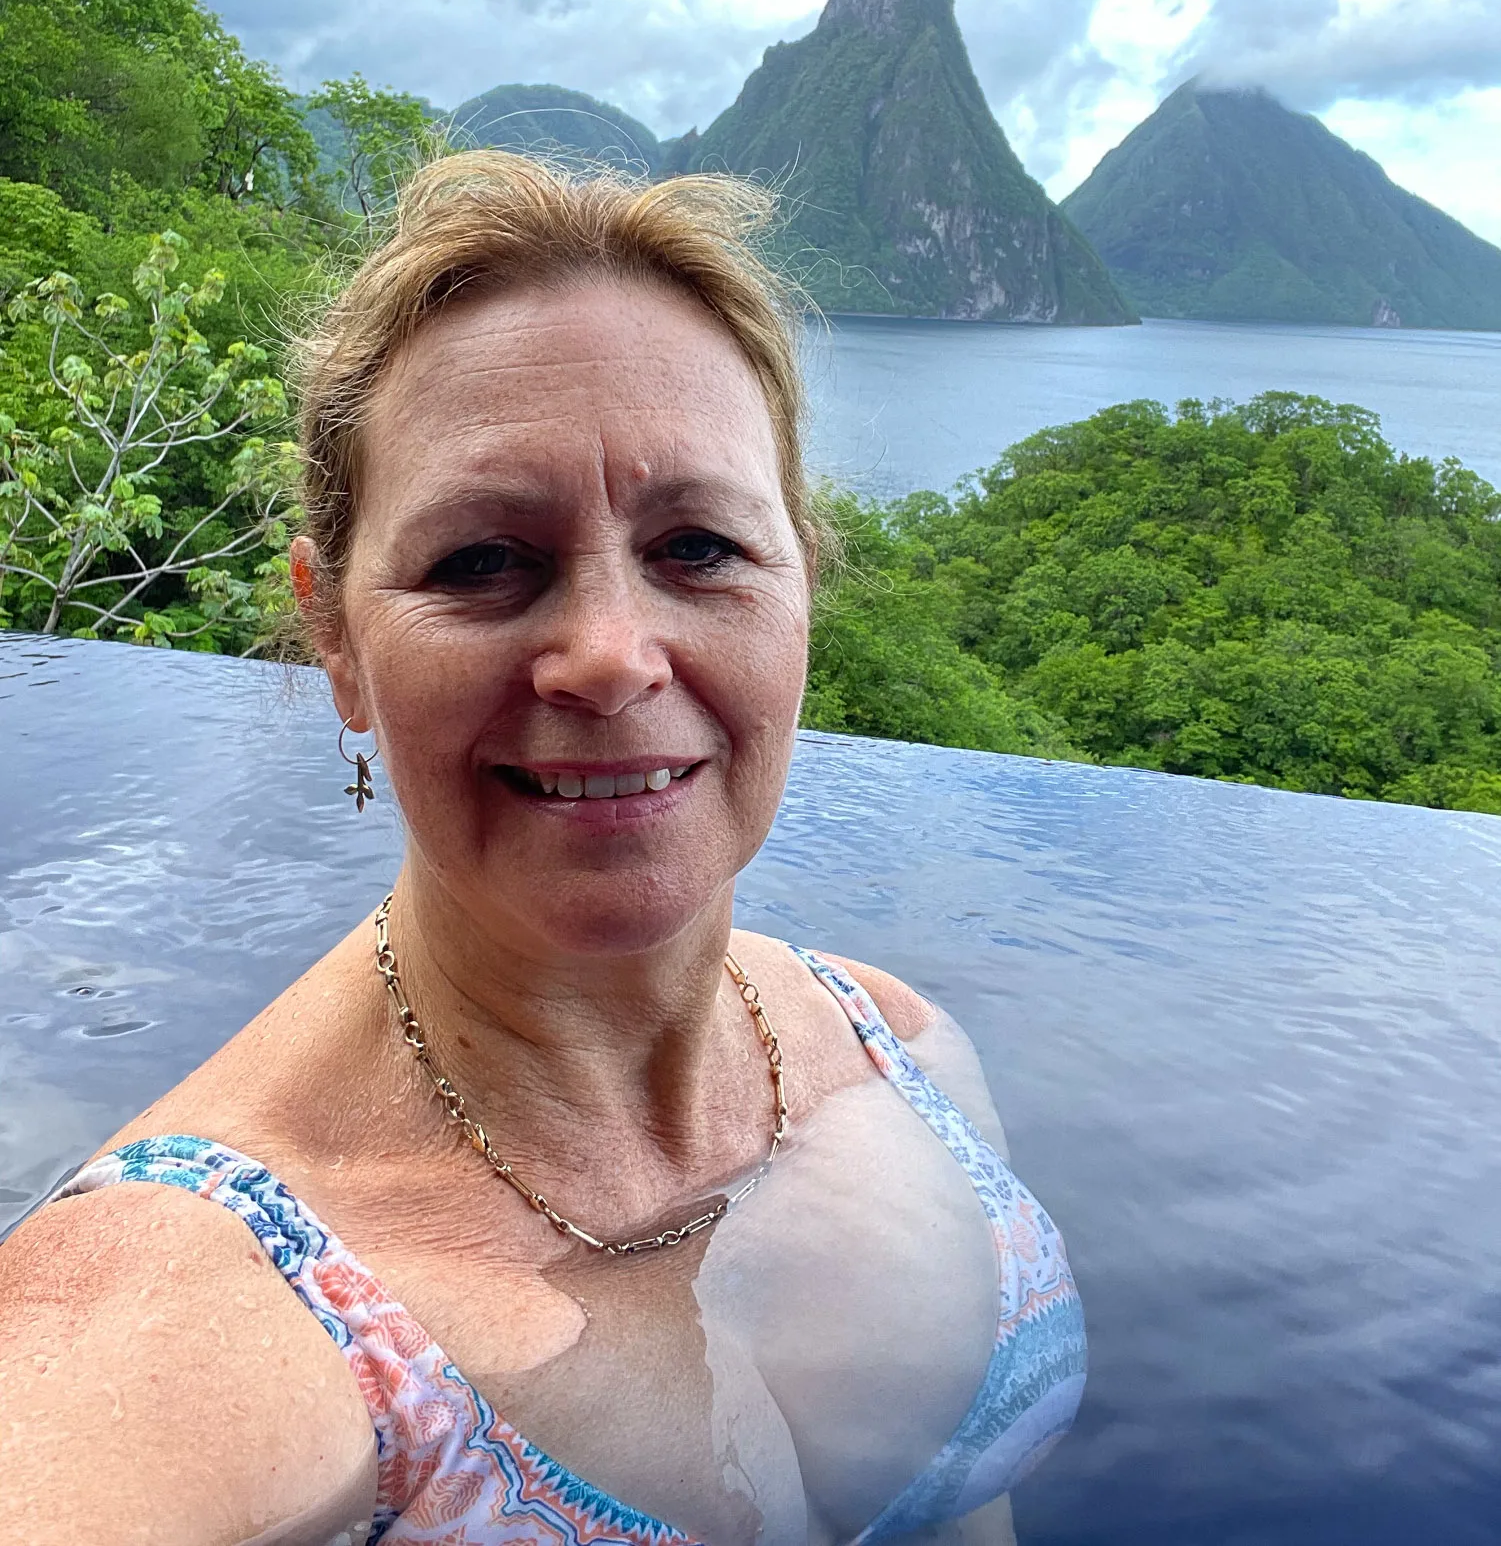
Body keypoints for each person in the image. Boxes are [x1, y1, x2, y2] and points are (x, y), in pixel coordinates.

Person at [0, 154, 1086, 1546]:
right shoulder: (187, 1310)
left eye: (699, 547)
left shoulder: (901, 1047)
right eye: (481, 561)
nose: (613, 656)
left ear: (802, 580)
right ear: (335, 634)